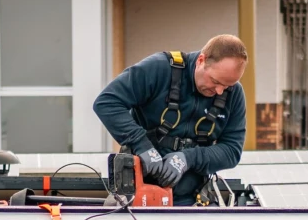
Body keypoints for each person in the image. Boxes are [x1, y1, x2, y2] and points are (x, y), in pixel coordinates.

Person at [93, 35, 248, 205]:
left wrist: (188, 158)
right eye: (215, 81)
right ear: (201, 61)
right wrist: (142, 145)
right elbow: (107, 103)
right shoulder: (160, 69)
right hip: (138, 193)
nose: (219, 91)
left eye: (227, 86)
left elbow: (232, 151)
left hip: (191, 200)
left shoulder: (234, 95)